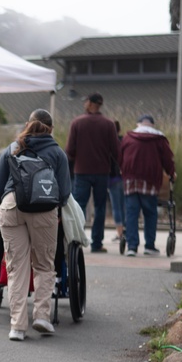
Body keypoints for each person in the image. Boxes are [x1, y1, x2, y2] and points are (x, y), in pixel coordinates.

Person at [0, 109, 72, 341]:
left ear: (28, 124)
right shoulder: (57, 153)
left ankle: (17, 326)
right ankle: (42, 317)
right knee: (45, 265)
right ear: (51, 128)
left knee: (16, 268)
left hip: (11, 206)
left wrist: (4, 201)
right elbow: (64, 193)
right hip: (43, 210)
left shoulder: (13, 147)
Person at [65, 93, 120, 253]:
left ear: (90, 103)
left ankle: (76, 240)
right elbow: (116, 151)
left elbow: (69, 150)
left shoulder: (77, 123)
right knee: (100, 207)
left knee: (79, 206)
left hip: (81, 171)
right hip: (102, 172)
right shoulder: (109, 124)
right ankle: (97, 243)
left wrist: (78, 158)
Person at [119, 114, 176, 257]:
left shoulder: (128, 137)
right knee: (150, 213)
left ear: (138, 124)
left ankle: (132, 247)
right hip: (150, 180)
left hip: (130, 180)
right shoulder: (159, 139)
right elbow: (168, 159)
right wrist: (171, 173)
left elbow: (120, 157)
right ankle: (149, 246)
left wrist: (123, 170)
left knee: (131, 214)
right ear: (152, 125)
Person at [108, 120, 125, 243]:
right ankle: (126, 231)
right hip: (126, 178)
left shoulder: (106, 143)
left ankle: (120, 233)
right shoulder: (125, 142)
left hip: (112, 178)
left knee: (116, 207)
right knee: (125, 205)